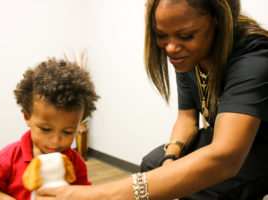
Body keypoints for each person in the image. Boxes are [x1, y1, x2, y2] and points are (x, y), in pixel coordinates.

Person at [35, 0, 268, 199]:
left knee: (198, 190)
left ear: (217, 20)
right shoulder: (187, 54)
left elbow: (226, 156)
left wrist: (100, 194)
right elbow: (187, 119)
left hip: (256, 150)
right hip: (223, 141)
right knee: (152, 164)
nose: (171, 48)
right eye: (160, 36)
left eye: (186, 35)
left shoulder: (254, 57)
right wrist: (170, 159)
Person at [0, 58, 99, 200]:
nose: (55, 140)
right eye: (46, 129)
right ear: (27, 117)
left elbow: (84, 195)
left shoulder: (75, 164)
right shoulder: (7, 159)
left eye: (68, 132)